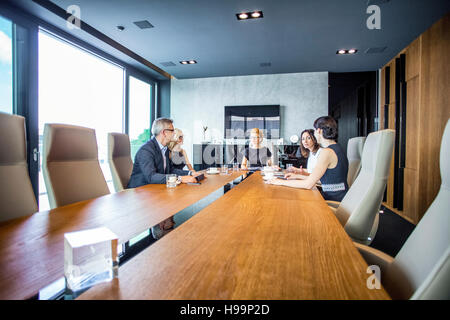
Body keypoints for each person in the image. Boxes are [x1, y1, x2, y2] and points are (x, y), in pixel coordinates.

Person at [127, 118, 200, 239]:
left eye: (170, 226)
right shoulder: (146, 150)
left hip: (154, 192)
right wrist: (181, 179)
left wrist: (190, 173)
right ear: (164, 133)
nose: (174, 133)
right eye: (172, 130)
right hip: (140, 197)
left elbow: (170, 170)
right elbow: (151, 177)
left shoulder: (164, 149)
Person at [267, 116, 349, 202]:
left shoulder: (327, 152)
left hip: (332, 200)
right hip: (340, 198)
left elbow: (308, 185)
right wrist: (296, 176)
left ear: (319, 131)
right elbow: (325, 180)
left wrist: (279, 182)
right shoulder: (338, 148)